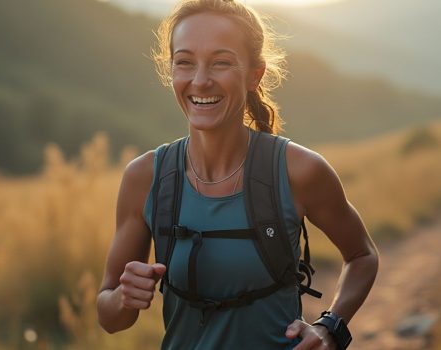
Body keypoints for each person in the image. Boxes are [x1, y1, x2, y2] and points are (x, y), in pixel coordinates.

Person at [96, 1, 379, 349]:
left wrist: (331, 327)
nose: (200, 80)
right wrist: (124, 296)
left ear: (254, 74)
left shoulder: (299, 170)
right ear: (170, 70)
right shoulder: (146, 177)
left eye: (221, 62)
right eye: (185, 62)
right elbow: (110, 318)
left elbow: (362, 256)